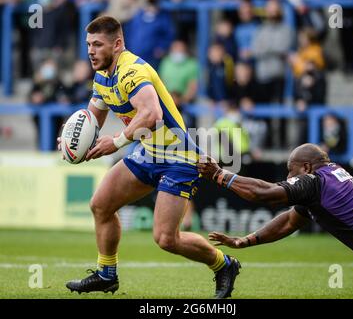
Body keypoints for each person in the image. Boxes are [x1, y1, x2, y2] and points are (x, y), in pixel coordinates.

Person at [58, 16, 241, 299]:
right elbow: (92, 117)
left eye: (97, 44)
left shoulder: (133, 71)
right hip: (148, 153)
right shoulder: (102, 76)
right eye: (88, 45)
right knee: (101, 205)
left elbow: (152, 115)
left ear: (117, 44)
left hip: (179, 157)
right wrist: (72, 139)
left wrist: (116, 142)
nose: (91, 51)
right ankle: (106, 274)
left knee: (166, 239)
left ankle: (224, 264)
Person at [197, 143, 353, 263]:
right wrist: (245, 241)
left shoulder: (314, 181)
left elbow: (264, 193)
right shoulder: (331, 176)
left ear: (306, 167)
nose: (289, 177)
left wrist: (219, 175)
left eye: (291, 171)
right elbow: (289, 222)